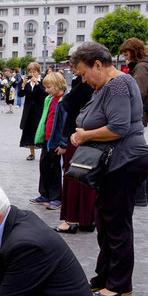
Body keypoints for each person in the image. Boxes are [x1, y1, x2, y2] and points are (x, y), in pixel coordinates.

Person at [69, 42, 148, 296]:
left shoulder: (117, 84)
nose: (83, 80)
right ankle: (104, 277)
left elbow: (118, 127)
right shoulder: (106, 85)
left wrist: (84, 136)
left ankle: (119, 285)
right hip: (116, 161)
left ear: (98, 65)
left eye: (84, 73)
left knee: (116, 225)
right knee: (106, 223)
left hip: (125, 161)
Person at [54, 66, 96, 233]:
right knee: (87, 178)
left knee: (73, 177)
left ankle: (71, 220)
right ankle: (86, 219)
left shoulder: (84, 82)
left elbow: (69, 103)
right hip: (90, 135)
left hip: (78, 134)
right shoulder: (100, 84)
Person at [120, 37, 148, 207]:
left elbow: (137, 93)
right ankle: (143, 195)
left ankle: (140, 195)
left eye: (126, 53)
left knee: (135, 154)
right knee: (138, 152)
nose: (125, 57)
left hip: (137, 116)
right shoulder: (142, 65)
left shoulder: (141, 67)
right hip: (140, 115)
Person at [31, 72, 67, 210]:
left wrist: (62, 143)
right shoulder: (49, 99)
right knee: (44, 166)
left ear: (58, 86)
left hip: (56, 140)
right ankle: (44, 194)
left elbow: (64, 123)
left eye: (49, 87)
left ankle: (56, 197)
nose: (46, 90)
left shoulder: (63, 100)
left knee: (55, 169)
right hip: (47, 138)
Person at [18, 62, 47, 161]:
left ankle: (44, 151)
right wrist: (23, 84)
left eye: (34, 71)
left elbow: (44, 94)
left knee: (40, 131)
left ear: (38, 72)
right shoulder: (27, 84)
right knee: (29, 132)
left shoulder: (43, 82)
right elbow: (20, 94)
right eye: (30, 71)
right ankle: (32, 153)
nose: (32, 73)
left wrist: (37, 83)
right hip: (28, 111)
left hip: (39, 110)